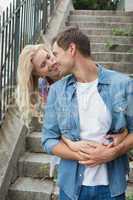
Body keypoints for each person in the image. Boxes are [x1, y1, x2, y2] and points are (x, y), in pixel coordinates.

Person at [42, 27, 133, 200]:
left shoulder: (122, 85)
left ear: (71, 49)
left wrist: (113, 152)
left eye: (56, 53)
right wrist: (79, 154)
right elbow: (48, 139)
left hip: (112, 189)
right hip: (71, 189)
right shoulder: (57, 91)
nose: (53, 61)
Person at [16, 44, 60, 126]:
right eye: (43, 65)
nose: (51, 63)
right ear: (37, 74)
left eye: (48, 57)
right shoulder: (47, 90)